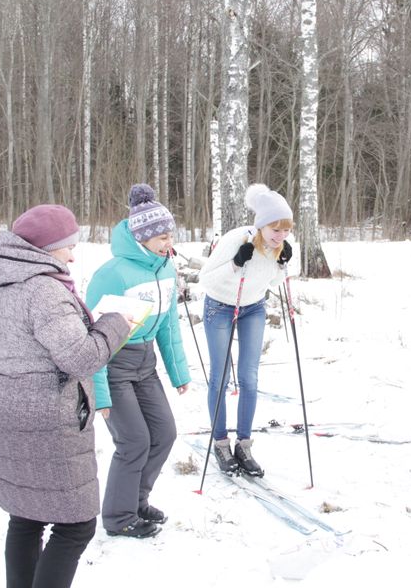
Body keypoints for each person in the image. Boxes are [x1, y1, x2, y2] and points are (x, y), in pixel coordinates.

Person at [0, 204, 133, 588]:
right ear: (45, 248)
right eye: (67, 246)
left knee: (25, 517)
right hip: (46, 423)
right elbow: (80, 357)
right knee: (75, 525)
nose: (72, 255)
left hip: (4, 413)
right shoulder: (44, 290)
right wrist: (115, 324)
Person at [85, 184, 191, 538]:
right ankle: (118, 517)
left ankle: (136, 500)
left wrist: (178, 371)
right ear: (141, 237)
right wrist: (99, 393)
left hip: (145, 366)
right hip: (114, 365)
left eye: (169, 234)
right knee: (134, 442)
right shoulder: (113, 274)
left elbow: (169, 326)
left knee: (163, 433)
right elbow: (93, 336)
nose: (167, 242)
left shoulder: (165, 270)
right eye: (161, 236)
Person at [199, 183, 294, 476]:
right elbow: (206, 279)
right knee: (220, 377)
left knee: (249, 378)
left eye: (286, 229)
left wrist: (283, 263)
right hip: (220, 306)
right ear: (261, 225)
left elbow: (273, 283)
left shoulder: (280, 246)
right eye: (275, 229)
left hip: (253, 308)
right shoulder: (235, 239)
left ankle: (244, 444)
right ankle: (220, 443)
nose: (280, 235)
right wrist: (235, 263)